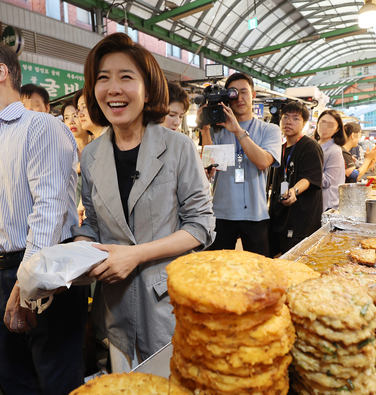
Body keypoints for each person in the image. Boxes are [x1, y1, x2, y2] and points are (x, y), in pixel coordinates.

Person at [0, 40, 86, 395]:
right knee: (13, 382)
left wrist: (27, 280)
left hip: (43, 272)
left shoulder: (40, 126)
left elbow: (50, 209)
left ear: (0, 71)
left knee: (57, 381)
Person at [72, 33, 215, 373]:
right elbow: (92, 221)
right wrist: (81, 245)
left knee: (172, 381)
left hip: (167, 301)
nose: (113, 88)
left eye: (126, 77)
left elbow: (201, 225)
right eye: (103, 78)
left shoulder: (177, 147)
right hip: (116, 304)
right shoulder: (91, 155)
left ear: (147, 90)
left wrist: (135, 254)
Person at [201, 72, 282, 256]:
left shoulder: (270, 129)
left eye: (244, 91)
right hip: (221, 213)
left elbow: (263, 162)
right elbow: (209, 166)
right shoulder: (217, 131)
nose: (239, 97)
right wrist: (205, 127)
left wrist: (238, 130)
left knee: (259, 271)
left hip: (255, 214)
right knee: (219, 271)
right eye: (233, 92)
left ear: (253, 95)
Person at [268, 101, 324, 257]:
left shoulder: (310, 146)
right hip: (280, 215)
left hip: (300, 219)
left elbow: (310, 177)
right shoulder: (280, 148)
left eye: (295, 118)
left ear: (304, 124)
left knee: (297, 262)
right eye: (285, 117)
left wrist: (294, 190)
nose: (289, 121)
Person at [314, 109, 346, 211]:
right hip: (315, 202)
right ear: (317, 124)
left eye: (331, 124)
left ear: (337, 129)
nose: (325, 127)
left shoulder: (335, 150)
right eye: (323, 123)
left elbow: (326, 181)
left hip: (326, 205)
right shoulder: (314, 145)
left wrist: (309, 166)